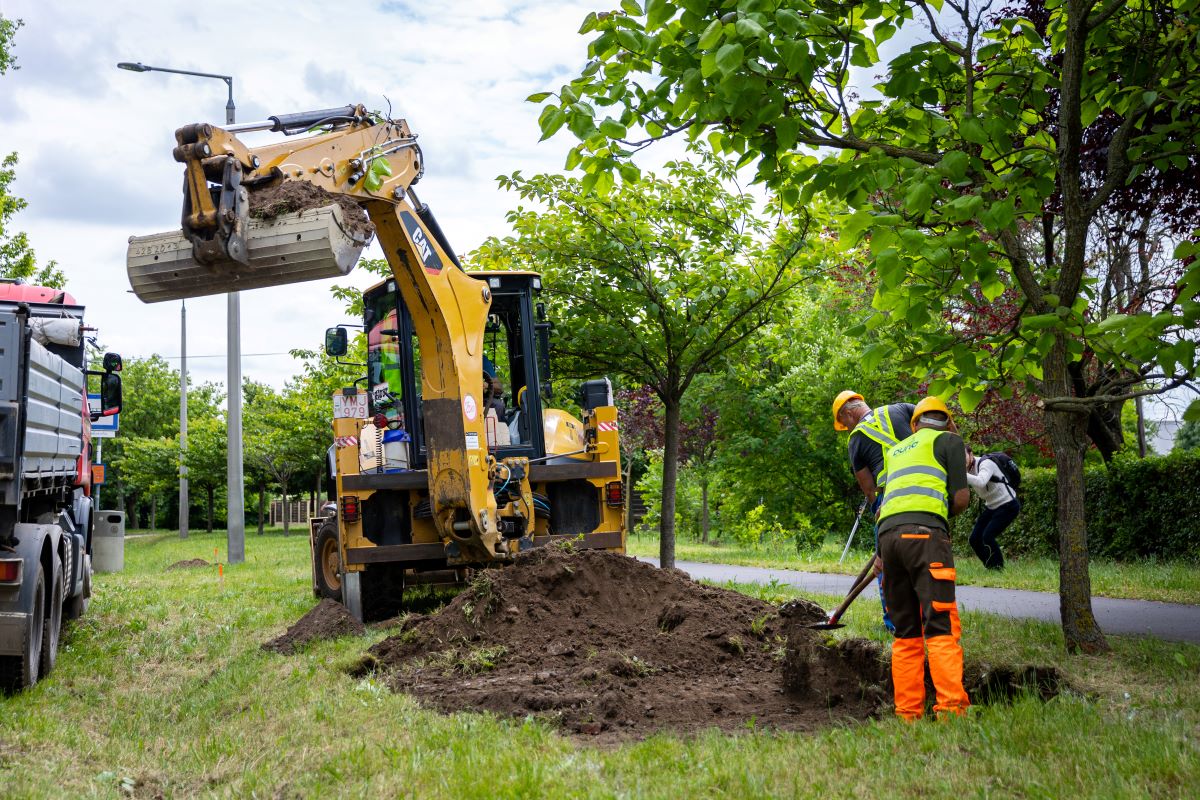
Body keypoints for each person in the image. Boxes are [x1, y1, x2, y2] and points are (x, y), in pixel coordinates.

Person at [876, 396, 971, 720]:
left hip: (888, 540)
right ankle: (951, 710)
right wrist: (942, 515)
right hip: (925, 538)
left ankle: (908, 713)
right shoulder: (950, 441)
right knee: (941, 624)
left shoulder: (895, 450)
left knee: (906, 630)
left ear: (914, 424)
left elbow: (889, 497)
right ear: (948, 421)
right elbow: (960, 498)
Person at [833, 391, 917, 632]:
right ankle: (925, 618)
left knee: (886, 562)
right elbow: (932, 418)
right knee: (922, 554)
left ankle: (896, 624)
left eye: (844, 422)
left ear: (849, 413)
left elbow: (869, 488)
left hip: (889, 496)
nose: (847, 428)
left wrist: (878, 514)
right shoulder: (900, 408)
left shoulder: (856, 440)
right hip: (925, 486)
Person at [965, 447, 1019, 570]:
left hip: (1008, 505)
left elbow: (981, 481)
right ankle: (990, 567)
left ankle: (998, 569)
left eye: (964, 456)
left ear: (971, 454)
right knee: (974, 539)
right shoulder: (967, 469)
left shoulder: (986, 463)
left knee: (988, 536)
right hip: (992, 506)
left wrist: (959, 473)